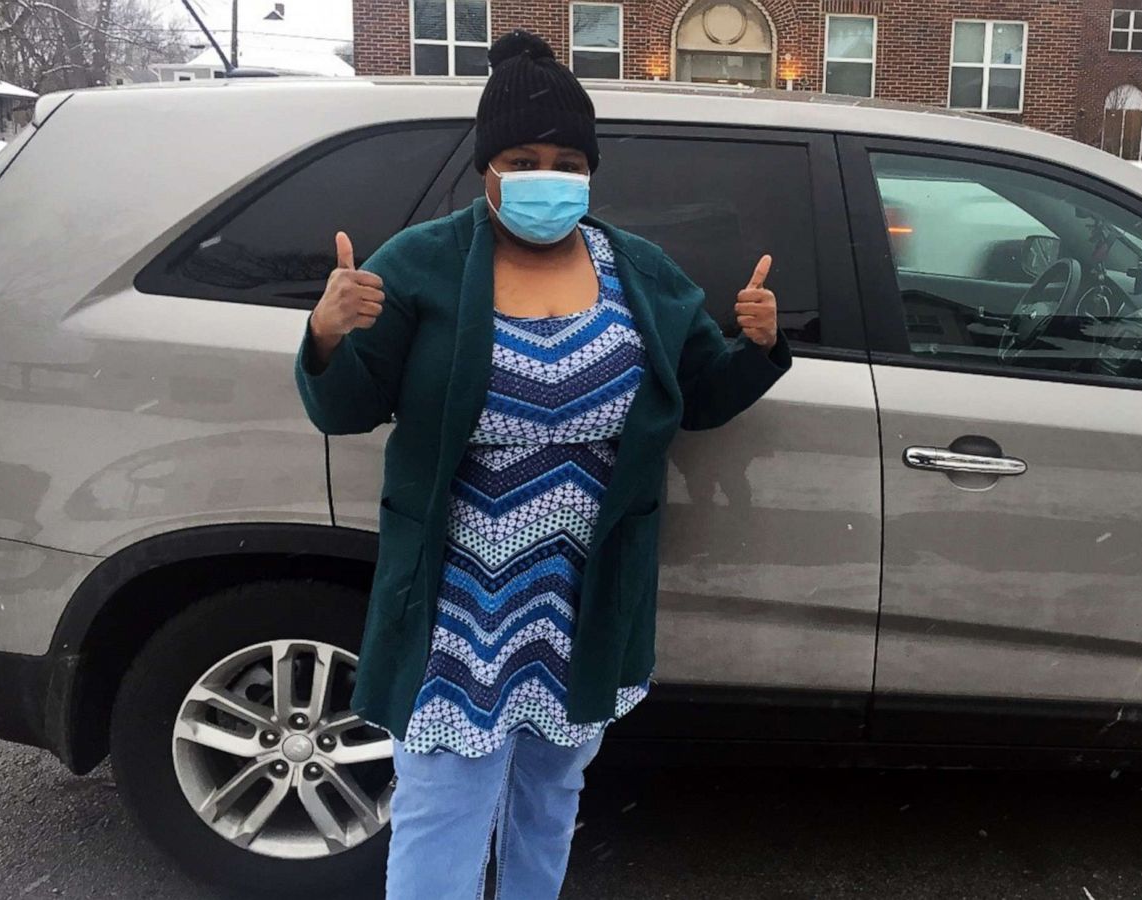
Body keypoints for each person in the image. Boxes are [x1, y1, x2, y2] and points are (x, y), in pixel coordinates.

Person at [294, 28, 790, 900]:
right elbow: (346, 408)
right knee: (445, 797)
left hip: (584, 593)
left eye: (566, 158)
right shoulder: (424, 265)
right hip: (457, 598)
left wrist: (757, 348)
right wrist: (329, 333)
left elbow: (699, 395)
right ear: (485, 166)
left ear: (590, 169)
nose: (546, 175)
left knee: (553, 790)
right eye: (521, 157)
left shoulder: (637, 270)